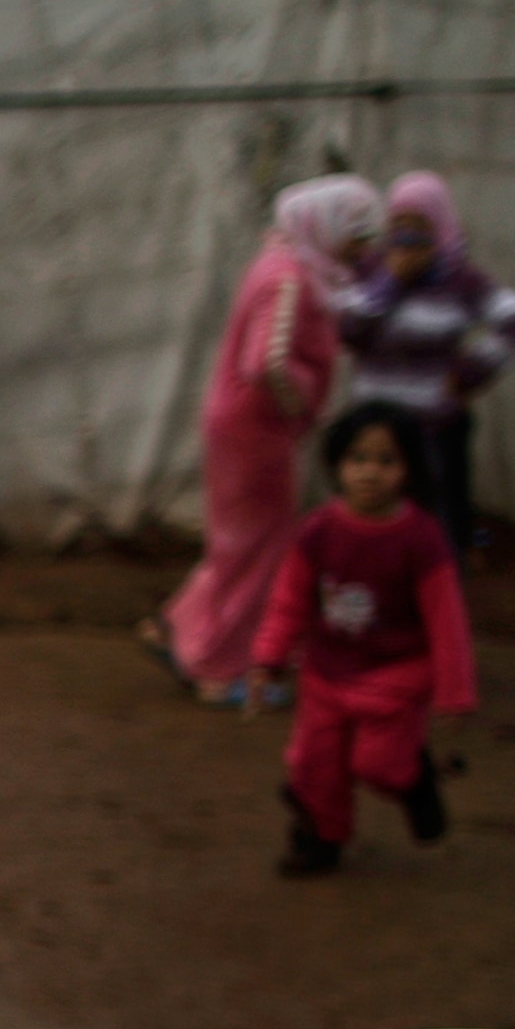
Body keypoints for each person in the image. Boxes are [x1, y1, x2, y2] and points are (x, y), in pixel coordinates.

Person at [146, 176, 383, 706]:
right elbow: (267, 362)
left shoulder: (286, 264)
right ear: (329, 226)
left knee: (240, 543)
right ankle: (214, 664)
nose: (363, 248)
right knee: (257, 548)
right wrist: (301, 407)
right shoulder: (290, 280)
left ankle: (179, 626)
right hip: (256, 434)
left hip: (243, 427)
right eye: (358, 235)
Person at [248, 402, 476, 879]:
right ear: (337, 466)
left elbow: (446, 620)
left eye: (386, 461)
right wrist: (268, 655)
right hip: (327, 670)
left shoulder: (421, 539)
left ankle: (415, 781)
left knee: (379, 764)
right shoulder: (319, 531)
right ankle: (321, 839)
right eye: (358, 459)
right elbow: (290, 599)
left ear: (409, 469)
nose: (370, 473)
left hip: (396, 674)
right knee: (316, 766)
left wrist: (454, 693)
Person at [336, 171, 515, 557]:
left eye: (419, 226)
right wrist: (392, 281)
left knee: (433, 535)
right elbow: (348, 332)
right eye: (399, 224)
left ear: (441, 225)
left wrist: (467, 374)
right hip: (373, 432)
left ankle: (437, 610)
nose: (407, 236)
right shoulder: (371, 272)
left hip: (432, 432)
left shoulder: (461, 280)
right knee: (369, 530)